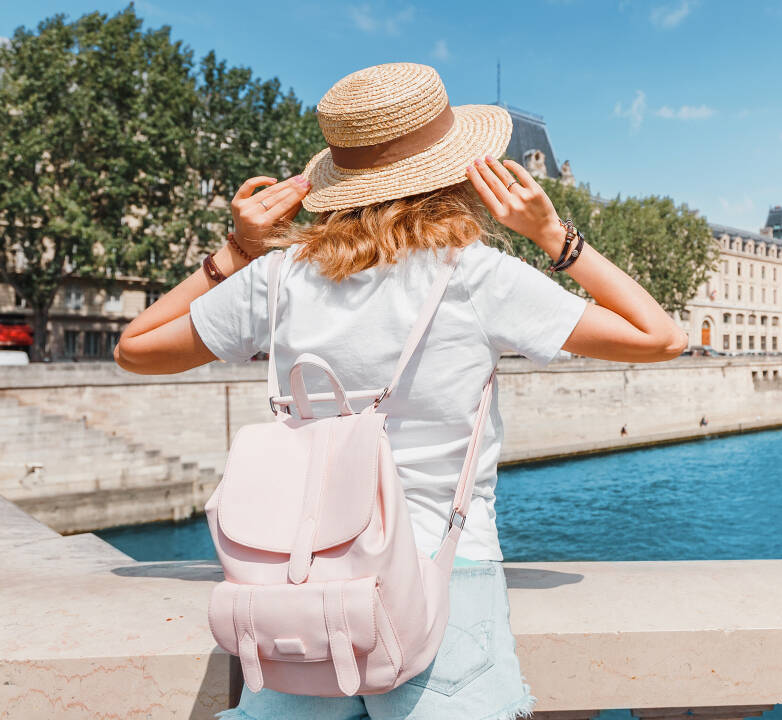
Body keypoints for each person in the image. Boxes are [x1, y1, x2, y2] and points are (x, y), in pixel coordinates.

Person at [114, 62, 687, 720]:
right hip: (445, 577)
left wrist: (236, 253)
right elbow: (659, 336)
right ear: (456, 173)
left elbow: (135, 349)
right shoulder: (474, 275)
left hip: (302, 585)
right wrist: (553, 235)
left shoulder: (274, 278)